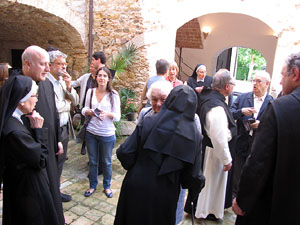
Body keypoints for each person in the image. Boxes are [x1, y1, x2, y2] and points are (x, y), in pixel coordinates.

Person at [114, 85, 205, 225]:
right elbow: (192, 177)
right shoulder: (195, 136)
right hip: (165, 193)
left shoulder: (148, 121)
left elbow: (124, 152)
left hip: (137, 185)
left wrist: (138, 166)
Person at [232, 53, 300, 225]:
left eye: (283, 75)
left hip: (274, 203)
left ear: (295, 74)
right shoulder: (245, 98)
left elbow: (259, 162)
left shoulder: (279, 108)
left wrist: (242, 201)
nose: (281, 82)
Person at [0, 75, 61, 225]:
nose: (37, 100)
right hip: (28, 191)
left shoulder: (13, 120)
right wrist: (38, 131)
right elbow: (40, 159)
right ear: (21, 101)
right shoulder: (15, 132)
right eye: (34, 95)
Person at [17, 45, 65, 224]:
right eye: (43, 64)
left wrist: (57, 139)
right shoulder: (17, 87)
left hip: (48, 148)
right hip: (30, 154)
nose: (48, 68)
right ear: (28, 64)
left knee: (53, 187)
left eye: (48, 64)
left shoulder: (46, 84)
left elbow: (53, 113)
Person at [195, 69, 236, 221]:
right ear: (227, 86)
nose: (233, 87)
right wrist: (227, 159)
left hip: (210, 150)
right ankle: (207, 211)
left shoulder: (209, 97)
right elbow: (218, 136)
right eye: (232, 84)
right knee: (211, 185)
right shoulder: (216, 106)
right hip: (214, 153)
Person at [230, 70, 273, 197]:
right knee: (237, 171)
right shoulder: (243, 97)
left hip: (259, 143)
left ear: (267, 84)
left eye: (258, 81)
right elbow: (230, 114)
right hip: (242, 140)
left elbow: (274, 123)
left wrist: (262, 124)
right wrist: (241, 112)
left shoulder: (272, 102)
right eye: (253, 80)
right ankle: (235, 196)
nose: (255, 84)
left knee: (252, 172)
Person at [82, 67, 120, 198]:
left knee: (107, 162)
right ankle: (92, 185)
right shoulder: (91, 92)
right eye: (100, 75)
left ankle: (107, 186)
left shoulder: (113, 95)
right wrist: (89, 112)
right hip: (91, 132)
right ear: (96, 77)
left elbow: (118, 116)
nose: (102, 78)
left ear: (109, 78)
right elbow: (84, 108)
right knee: (93, 161)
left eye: (105, 76)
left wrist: (107, 114)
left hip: (107, 134)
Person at [47, 50, 79, 202]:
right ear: (50, 65)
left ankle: (55, 191)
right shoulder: (46, 82)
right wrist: (67, 103)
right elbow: (54, 107)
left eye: (64, 64)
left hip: (65, 127)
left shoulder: (61, 80)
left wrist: (69, 86)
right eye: (59, 64)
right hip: (53, 129)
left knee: (60, 162)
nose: (63, 67)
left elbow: (76, 101)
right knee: (52, 163)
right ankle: (51, 193)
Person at [71, 51, 107, 156]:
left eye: (92, 62)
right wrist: (66, 82)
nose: (91, 65)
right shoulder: (86, 77)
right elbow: (75, 83)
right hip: (86, 107)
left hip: (98, 108)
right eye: (90, 65)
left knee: (94, 129)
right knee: (85, 127)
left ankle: (95, 152)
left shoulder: (103, 76)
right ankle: (84, 146)